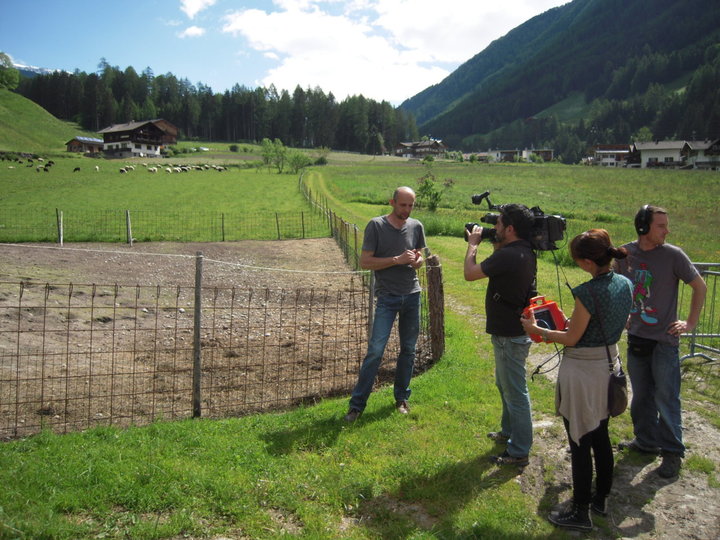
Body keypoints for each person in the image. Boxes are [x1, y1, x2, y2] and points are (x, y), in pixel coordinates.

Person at [522, 229, 633, 532]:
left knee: (580, 440)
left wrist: (539, 329)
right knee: (601, 434)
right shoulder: (625, 283)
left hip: (584, 373)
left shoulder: (587, 292)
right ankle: (601, 498)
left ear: (586, 262)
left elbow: (571, 338)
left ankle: (580, 511)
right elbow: (616, 320)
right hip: (609, 364)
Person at [615, 205, 706, 478]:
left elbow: (700, 286)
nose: (667, 230)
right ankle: (646, 442)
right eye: (661, 226)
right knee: (642, 395)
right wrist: (623, 315)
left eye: (666, 225)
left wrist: (690, 323)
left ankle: (672, 453)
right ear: (643, 228)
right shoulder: (624, 253)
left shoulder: (673, 256)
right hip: (637, 337)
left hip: (665, 340)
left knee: (666, 397)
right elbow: (617, 286)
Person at [344, 186, 426, 422]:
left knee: (408, 350)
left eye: (411, 205)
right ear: (392, 202)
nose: (407, 210)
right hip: (387, 298)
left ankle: (401, 398)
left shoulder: (416, 226)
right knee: (375, 351)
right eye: (403, 205)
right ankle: (357, 405)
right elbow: (365, 261)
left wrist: (415, 261)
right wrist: (396, 260)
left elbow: (419, 259)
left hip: (412, 295)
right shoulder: (376, 226)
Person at [464, 203, 537, 466]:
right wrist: (495, 241)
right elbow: (499, 264)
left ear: (510, 228)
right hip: (509, 331)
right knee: (503, 385)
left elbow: (470, 274)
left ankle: (519, 450)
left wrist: (473, 243)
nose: (493, 228)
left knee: (515, 392)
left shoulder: (510, 255)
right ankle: (508, 432)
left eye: (498, 225)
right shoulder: (521, 250)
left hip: (510, 334)